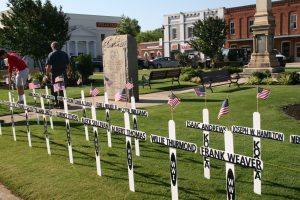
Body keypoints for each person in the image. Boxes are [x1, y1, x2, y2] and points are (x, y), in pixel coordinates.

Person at [45, 41, 71, 108]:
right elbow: (68, 65)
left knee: (55, 89)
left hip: (55, 74)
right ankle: (62, 103)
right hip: (63, 74)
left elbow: (48, 66)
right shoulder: (64, 54)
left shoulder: (51, 54)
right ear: (58, 46)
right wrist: (69, 73)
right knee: (62, 89)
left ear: (52, 47)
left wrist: (47, 75)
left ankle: (56, 103)